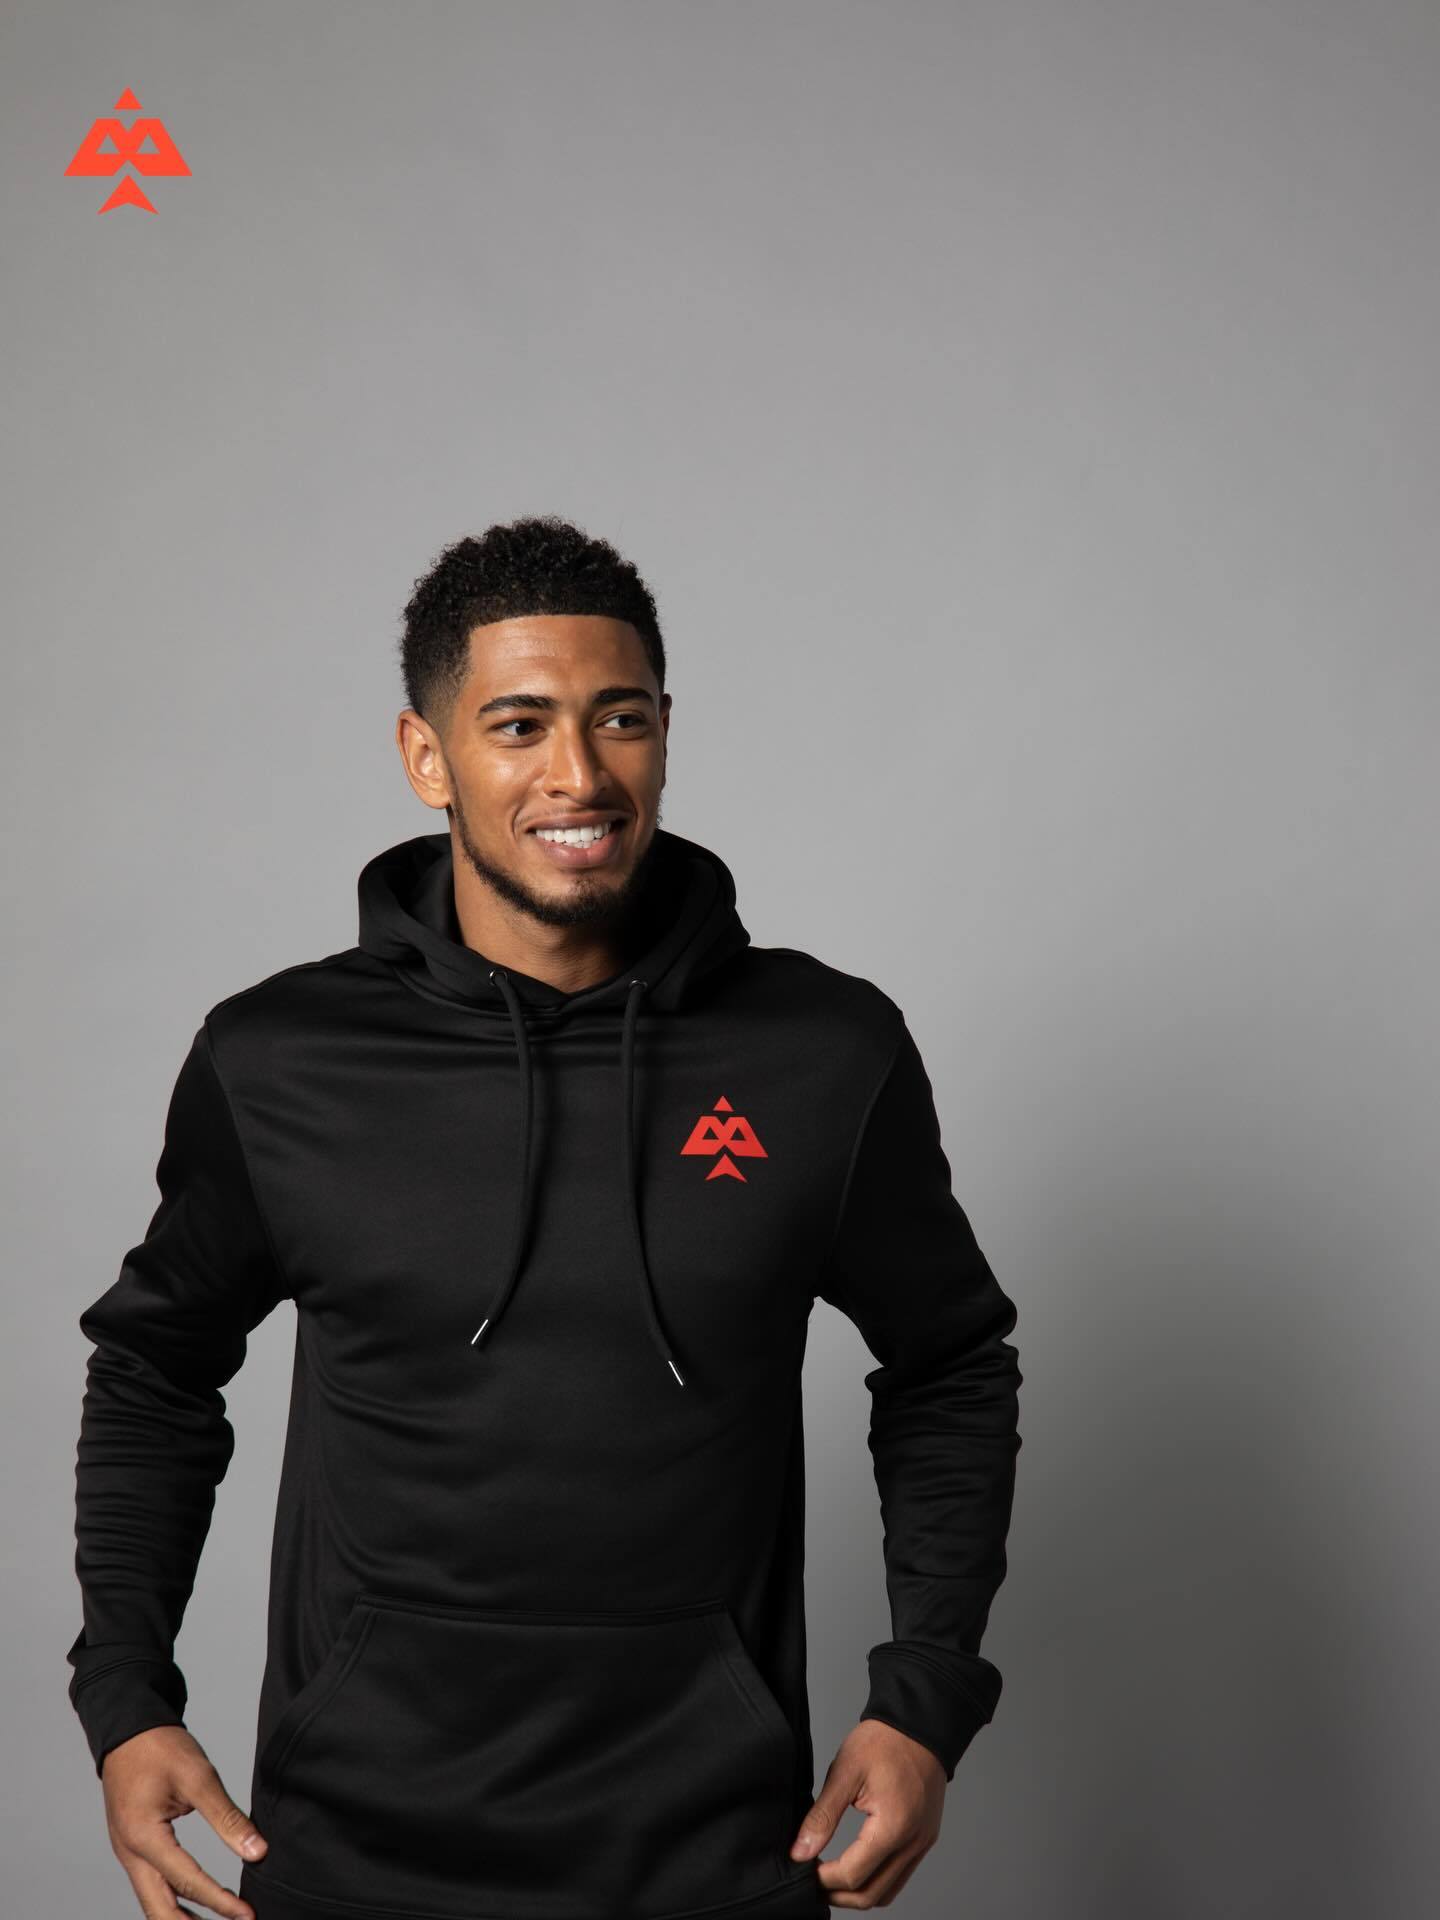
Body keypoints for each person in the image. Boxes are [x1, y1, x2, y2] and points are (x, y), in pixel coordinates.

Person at [67, 514, 1023, 1920]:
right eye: (518, 726)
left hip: (714, 1855)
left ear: (664, 733)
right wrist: (126, 1698)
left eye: (618, 718)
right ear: (427, 757)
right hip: (352, 1850)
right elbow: (156, 1368)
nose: (579, 774)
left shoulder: (825, 1052)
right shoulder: (280, 1062)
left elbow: (950, 1363)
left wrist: (926, 1697)